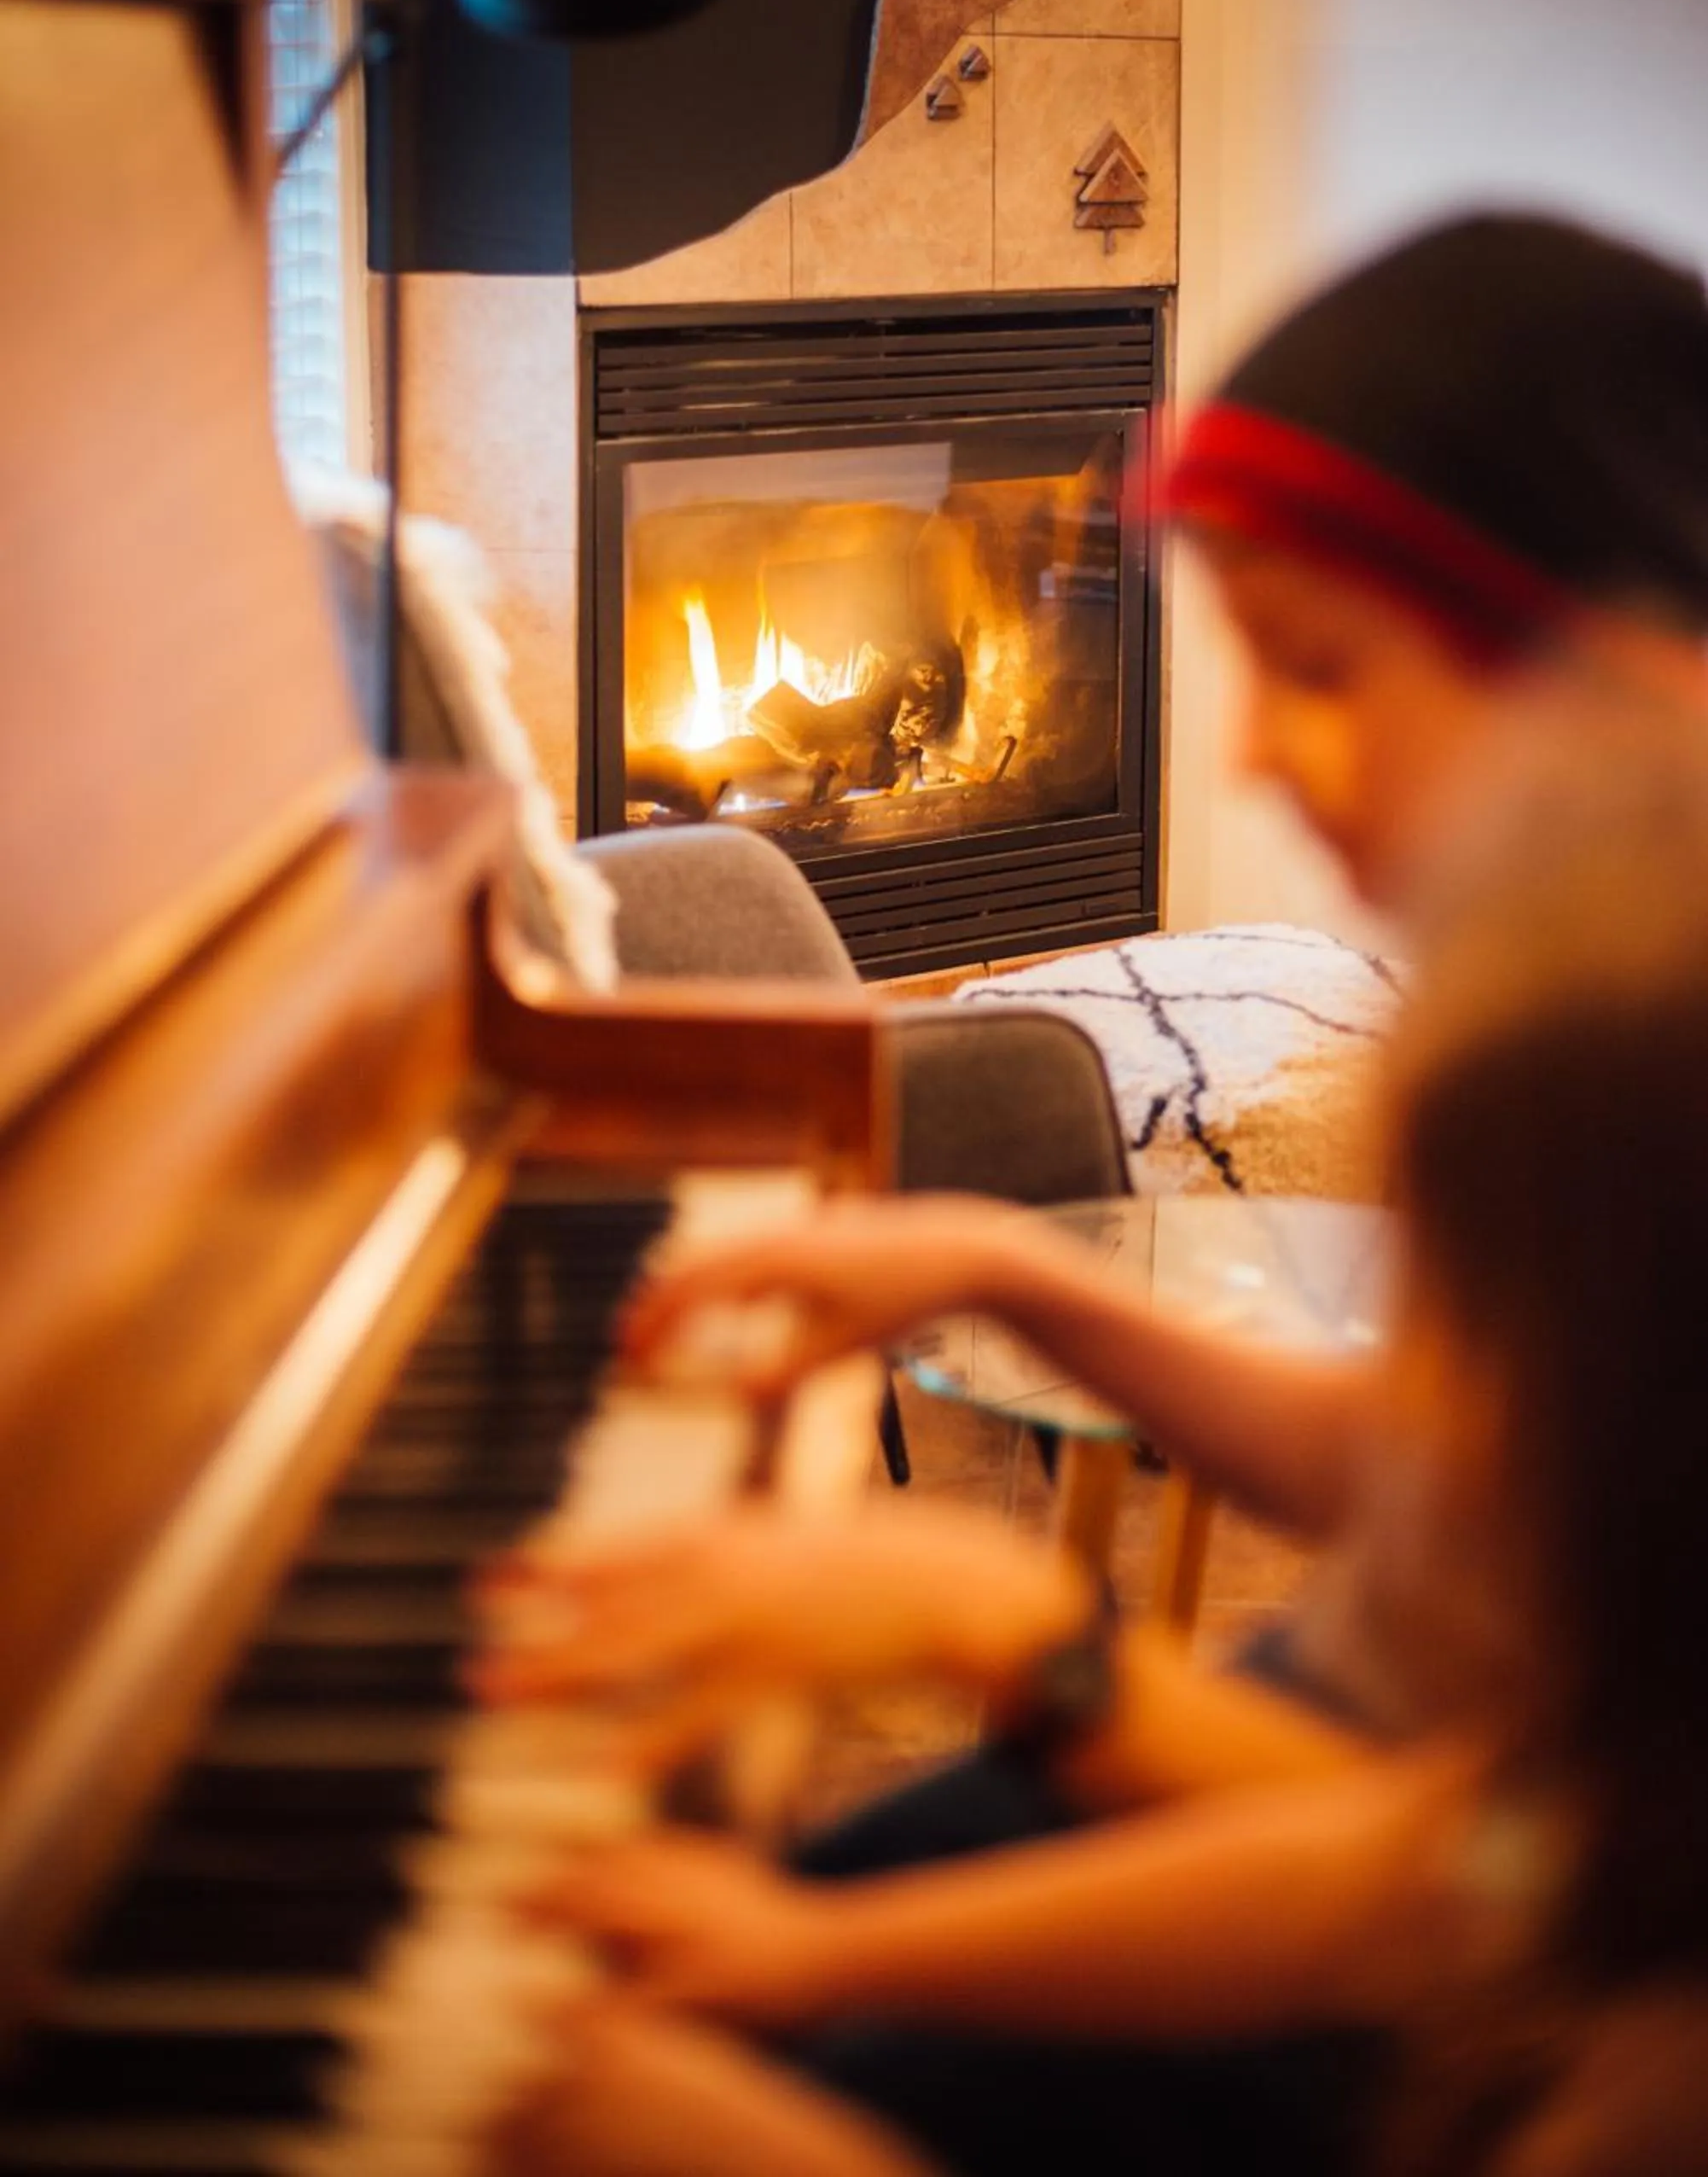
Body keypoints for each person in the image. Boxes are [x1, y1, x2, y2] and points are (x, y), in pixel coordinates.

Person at [482, 683, 1708, 2177]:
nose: (1411, 1415)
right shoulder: (1612, 1812)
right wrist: (817, 1945)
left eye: (1459, 1335)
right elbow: (1423, 1882)